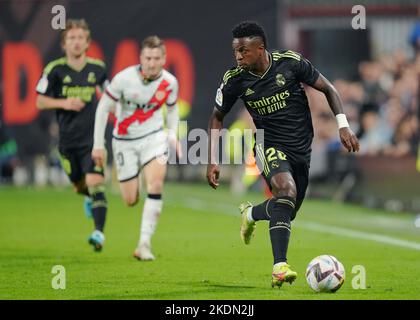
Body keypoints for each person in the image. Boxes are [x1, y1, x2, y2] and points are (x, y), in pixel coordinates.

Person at [206, 21, 359, 288]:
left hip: (301, 148)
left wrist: (343, 125)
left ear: (261, 48)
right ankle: (280, 267)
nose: (238, 57)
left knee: (286, 210)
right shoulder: (234, 80)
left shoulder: (290, 63)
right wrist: (212, 159)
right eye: (235, 52)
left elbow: (329, 89)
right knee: (285, 191)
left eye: (244, 50)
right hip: (268, 144)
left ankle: (251, 214)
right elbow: (217, 117)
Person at [92, 35, 181, 261]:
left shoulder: (170, 83)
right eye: (148, 58)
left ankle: (144, 244)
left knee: (157, 183)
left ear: (164, 59)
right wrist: (98, 145)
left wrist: (172, 134)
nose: (151, 62)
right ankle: (137, 180)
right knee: (130, 200)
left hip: (153, 137)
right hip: (124, 142)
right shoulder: (124, 79)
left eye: (156, 58)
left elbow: (172, 109)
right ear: (141, 57)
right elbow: (103, 108)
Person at [36, 19, 108, 251]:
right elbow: (39, 100)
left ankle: (98, 233)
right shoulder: (54, 70)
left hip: (93, 140)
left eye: (80, 38)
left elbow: (111, 96)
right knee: (80, 186)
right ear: (64, 44)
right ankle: (87, 196)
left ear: (87, 43)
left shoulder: (98, 69)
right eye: (71, 38)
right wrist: (65, 102)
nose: (76, 43)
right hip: (68, 142)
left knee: (96, 182)